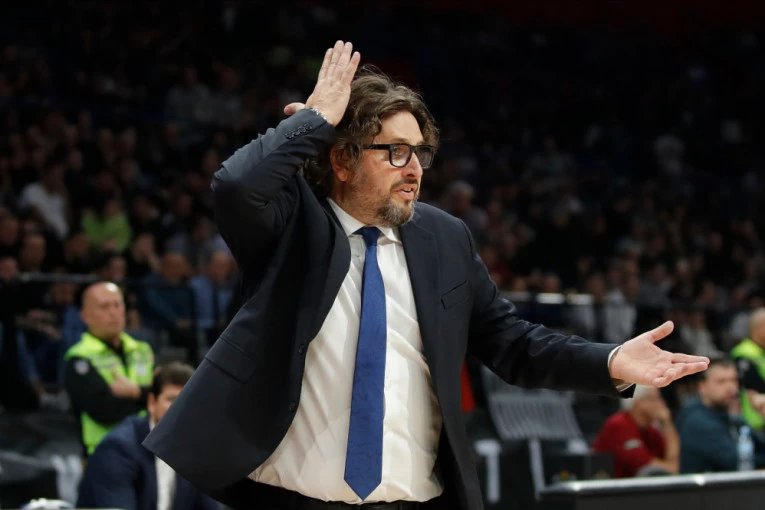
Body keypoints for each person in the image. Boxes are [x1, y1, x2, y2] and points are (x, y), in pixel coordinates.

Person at [145, 41, 709, 510]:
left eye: (420, 152)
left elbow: (512, 343)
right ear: (341, 160)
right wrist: (314, 122)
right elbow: (236, 187)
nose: (414, 168)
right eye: (395, 151)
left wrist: (610, 361)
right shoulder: (292, 224)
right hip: (290, 499)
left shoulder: (444, 238)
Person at [77, 362, 219, 510]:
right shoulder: (119, 448)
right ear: (151, 403)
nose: (182, 408)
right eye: (172, 399)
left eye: (189, 400)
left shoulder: (196, 449)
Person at [64, 281, 154, 456]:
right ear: (85, 316)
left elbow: (166, 399)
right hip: (104, 453)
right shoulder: (79, 358)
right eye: (104, 307)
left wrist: (134, 391)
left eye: (117, 305)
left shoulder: (142, 350)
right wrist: (146, 397)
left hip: (147, 451)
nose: (113, 312)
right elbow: (105, 410)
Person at [676, 358, 765, 473]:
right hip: (704, 484)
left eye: (734, 380)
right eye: (721, 381)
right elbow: (737, 463)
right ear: (702, 387)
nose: (731, 387)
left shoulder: (733, 419)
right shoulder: (696, 421)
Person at [592, 385, 679, 477]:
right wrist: (672, 467)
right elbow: (649, 468)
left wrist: (667, 423)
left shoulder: (651, 431)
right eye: (654, 399)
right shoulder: (619, 425)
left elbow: (674, 461)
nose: (662, 404)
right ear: (638, 402)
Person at [730, 308, 765, 431]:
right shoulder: (744, 352)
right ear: (759, 328)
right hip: (755, 421)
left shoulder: (761, 351)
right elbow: (754, 387)